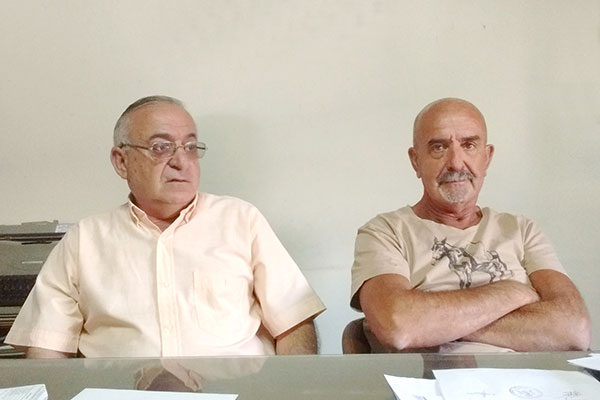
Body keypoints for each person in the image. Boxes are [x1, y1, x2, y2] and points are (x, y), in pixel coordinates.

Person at [7, 95, 325, 358]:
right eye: (161, 147)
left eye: (190, 147)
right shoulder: (85, 240)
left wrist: (293, 390)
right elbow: (47, 347)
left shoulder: (241, 220)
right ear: (121, 161)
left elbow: (294, 323)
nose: (180, 161)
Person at [351, 97, 591, 353]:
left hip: (525, 377)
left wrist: (434, 325)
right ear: (415, 161)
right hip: (432, 378)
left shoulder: (522, 230)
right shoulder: (384, 232)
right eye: (439, 147)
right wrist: (514, 293)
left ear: (487, 158)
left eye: (469, 145)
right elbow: (399, 325)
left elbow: (574, 330)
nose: (456, 162)